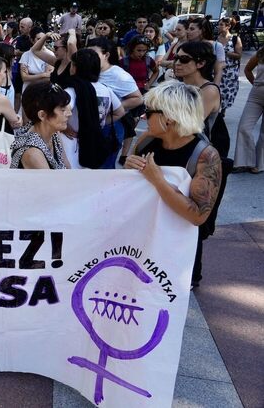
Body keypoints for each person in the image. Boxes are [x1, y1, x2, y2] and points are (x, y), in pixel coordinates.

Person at [125, 81, 222, 288]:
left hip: (176, 252)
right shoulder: (146, 140)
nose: (143, 116)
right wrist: (128, 168)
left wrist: (158, 180)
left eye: (148, 111)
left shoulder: (206, 156)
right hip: (143, 241)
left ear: (167, 118)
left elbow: (197, 215)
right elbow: (129, 188)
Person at [62, 49, 125, 169]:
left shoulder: (72, 90)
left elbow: (60, 111)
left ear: (75, 68)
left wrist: (64, 127)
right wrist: (97, 123)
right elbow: (120, 111)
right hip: (95, 141)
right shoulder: (106, 90)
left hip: (72, 143)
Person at [86, 37, 143, 166]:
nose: (89, 57)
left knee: (104, 169)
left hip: (110, 127)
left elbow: (138, 99)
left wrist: (110, 108)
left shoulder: (119, 75)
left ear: (106, 55)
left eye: (93, 54)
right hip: (91, 126)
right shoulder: (89, 71)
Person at [11, 83, 71, 169]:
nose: (69, 113)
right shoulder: (32, 152)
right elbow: (51, 182)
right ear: (42, 115)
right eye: (62, 110)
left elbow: (67, 169)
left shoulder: (54, 134)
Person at [233, 48, 264, 174]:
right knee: (244, 127)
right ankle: (244, 162)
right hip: (256, 95)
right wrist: (255, 84)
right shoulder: (261, 53)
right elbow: (247, 70)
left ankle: (260, 164)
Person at [187, 17, 224, 86]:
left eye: (192, 29)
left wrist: (215, 88)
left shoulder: (216, 46)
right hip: (187, 85)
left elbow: (218, 71)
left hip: (205, 86)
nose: (188, 31)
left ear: (202, 30)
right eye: (188, 28)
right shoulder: (188, 45)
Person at [216, 17, 243, 113]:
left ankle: (223, 111)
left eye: (221, 25)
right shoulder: (217, 38)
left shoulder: (235, 39)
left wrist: (225, 52)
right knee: (217, 91)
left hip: (230, 72)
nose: (218, 26)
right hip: (218, 70)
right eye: (219, 24)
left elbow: (239, 55)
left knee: (227, 92)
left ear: (228, 27)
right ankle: (216, 109)